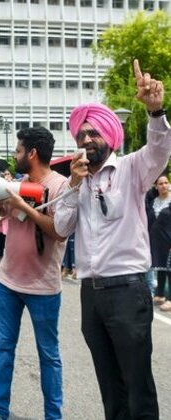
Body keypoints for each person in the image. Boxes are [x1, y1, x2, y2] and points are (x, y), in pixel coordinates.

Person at [54, 59, 168, 419]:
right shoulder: (77, 182)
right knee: (110, 386)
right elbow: (60, 227)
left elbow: (160, 150)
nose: (87, 139)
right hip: (92, 294)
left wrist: (155, 111)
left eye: (94, 133)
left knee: (137, 386)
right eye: (81, 135)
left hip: (127, 292)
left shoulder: (134, 168)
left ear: (109, 136)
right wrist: (73, 186)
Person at [0, 127, 68, 420]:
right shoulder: (17, 183)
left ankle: (53, 415)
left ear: (31, 153)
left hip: (44, 287)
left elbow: (58, 231)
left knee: (49, 355)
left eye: (18, 151)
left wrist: (24, 207)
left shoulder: (61, 187)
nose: (15, 155)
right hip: (8, 282)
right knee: (3, 348)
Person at [148, 174, 171, 311]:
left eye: (166, 183)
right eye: (160, 183)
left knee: (170, 269)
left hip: (169, 240)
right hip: (157, 242)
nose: (163, 185)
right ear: (156, 187)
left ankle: (169, 298)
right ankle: (160, 294)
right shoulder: (152, 202)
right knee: (160, 268)